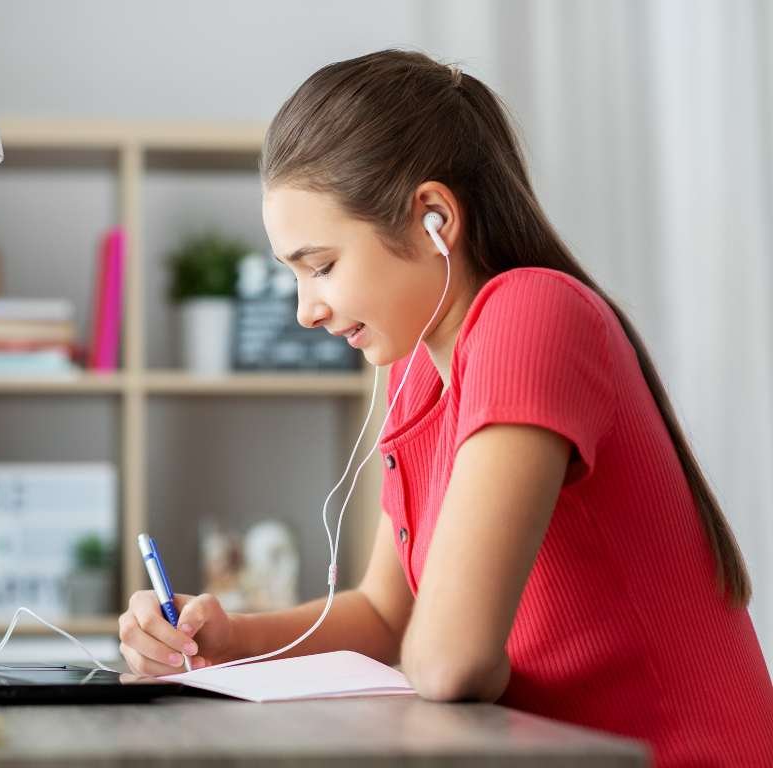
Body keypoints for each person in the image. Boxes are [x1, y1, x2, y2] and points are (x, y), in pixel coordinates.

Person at [118, 50, 773, 766]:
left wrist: (473, 665)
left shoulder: (531, 315)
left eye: (322, 265)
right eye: (294, 274)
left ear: (434, 217)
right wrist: (225, 638)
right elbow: (388, 616)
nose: (306, 310)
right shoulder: (413, 369)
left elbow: (447, 661)